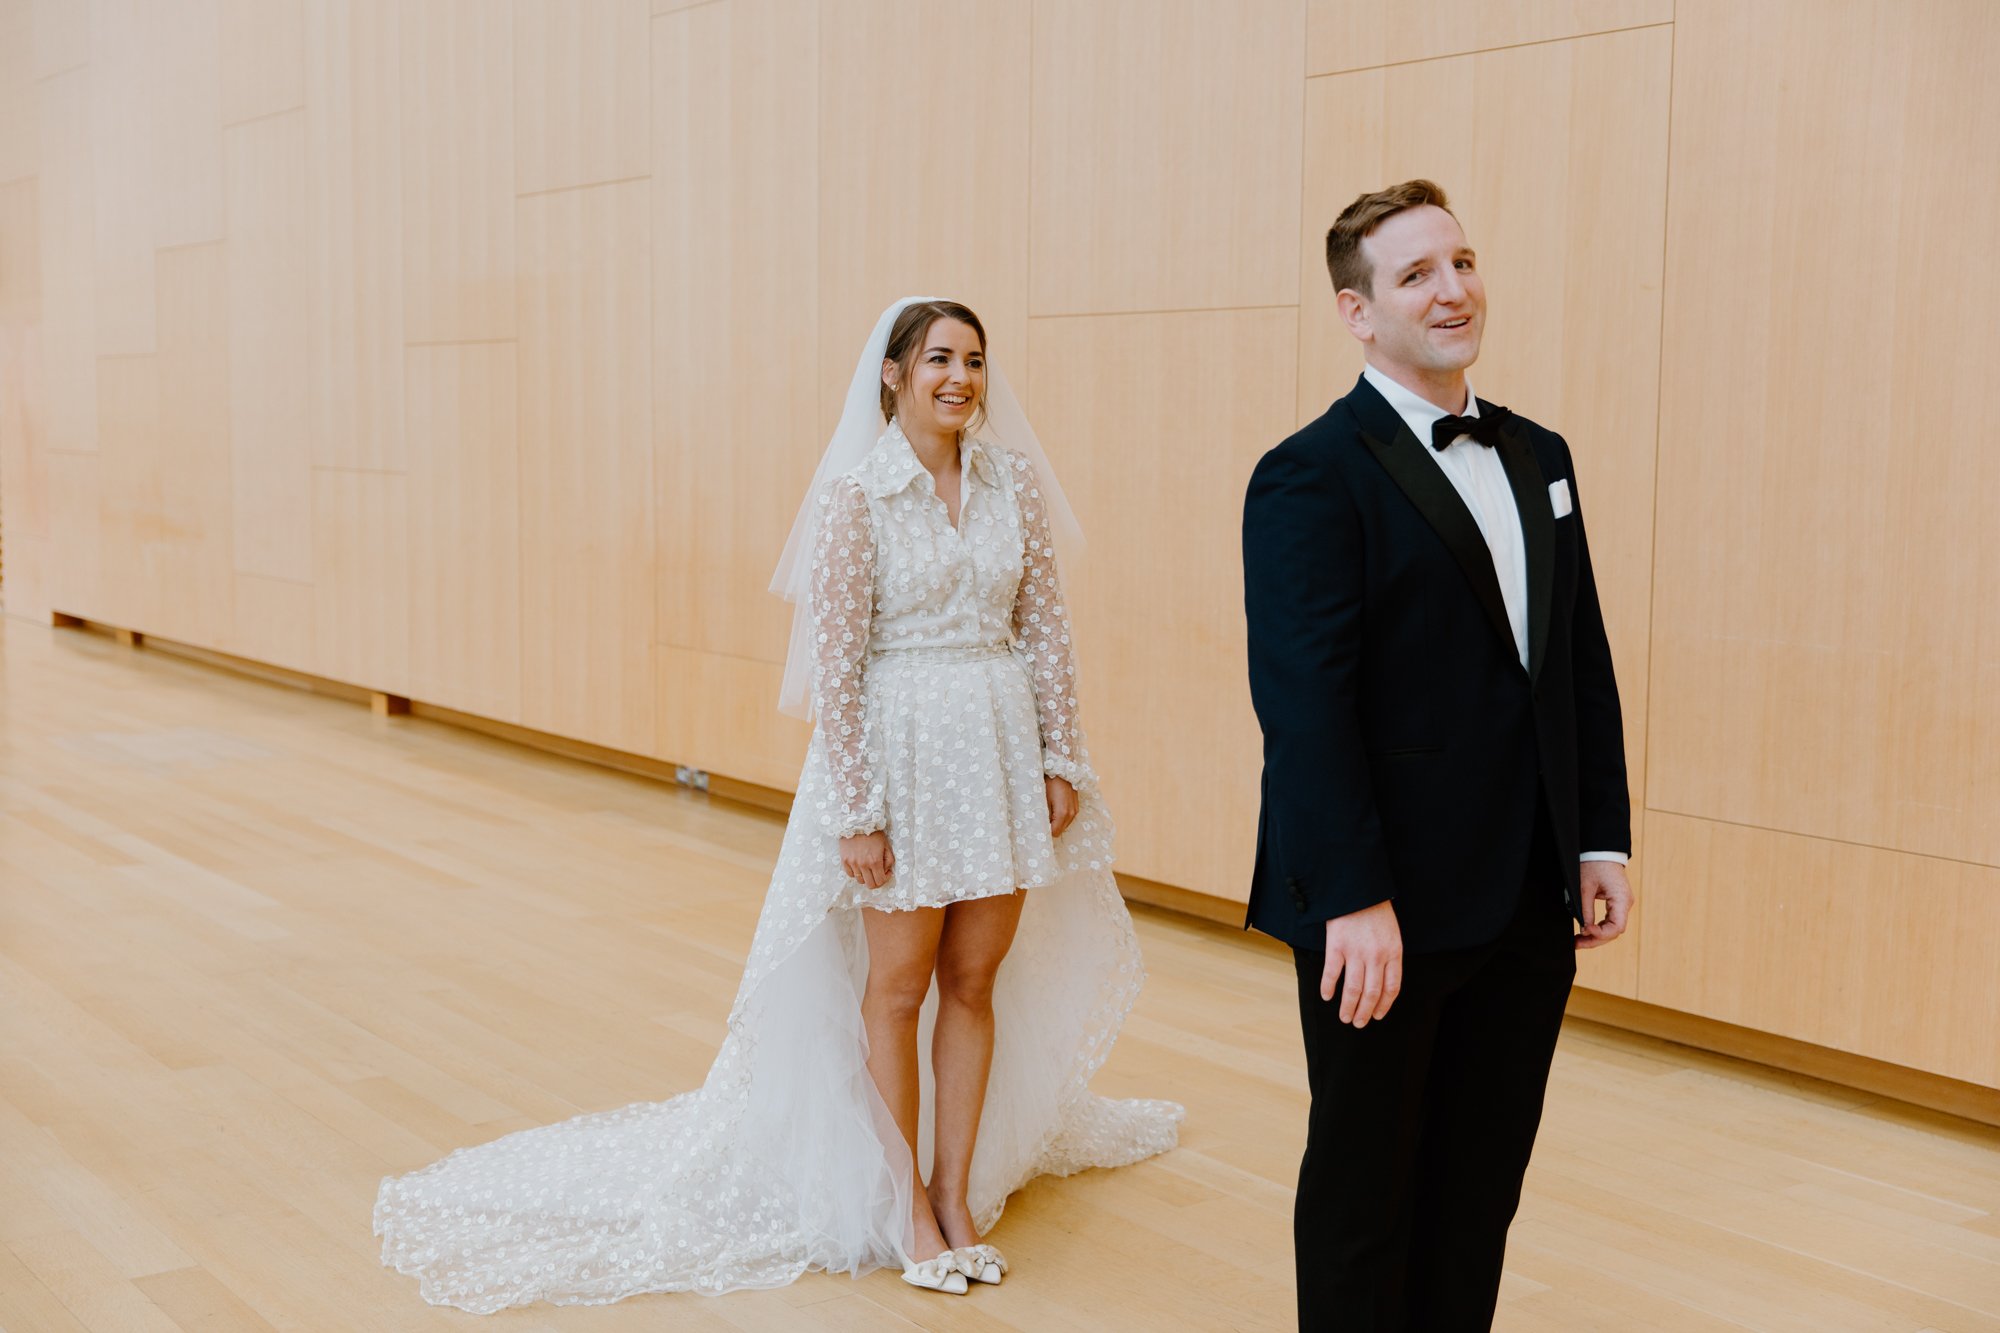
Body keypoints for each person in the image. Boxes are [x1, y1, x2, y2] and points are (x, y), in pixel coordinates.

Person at [373, 296, 1181, 1313]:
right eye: (939, 358)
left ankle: (954, 1195)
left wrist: (1061, 756)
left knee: (975, 978)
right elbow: (837, 668)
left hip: (998, 754)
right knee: (898, 986)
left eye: (975, 361)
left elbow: (1047, 629)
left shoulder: (1010, 482)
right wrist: (858, 809)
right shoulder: (857, 496)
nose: (961, 379)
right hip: (903, 757)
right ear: (893, 373)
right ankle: (905, 1207)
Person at [1241, 182, 1633, 1330]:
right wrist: (1350, 895)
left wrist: (1597, 835)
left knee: (1477, 1189)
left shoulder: (1539, 453)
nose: (1451, 289)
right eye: (1413, 274)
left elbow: (1575, 656)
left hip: (1525, 894)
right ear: (1356, 313)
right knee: (1363, 1193)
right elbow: (1303, 707)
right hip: (1385, 909)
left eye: (1459, 262)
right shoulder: (1310, 472)